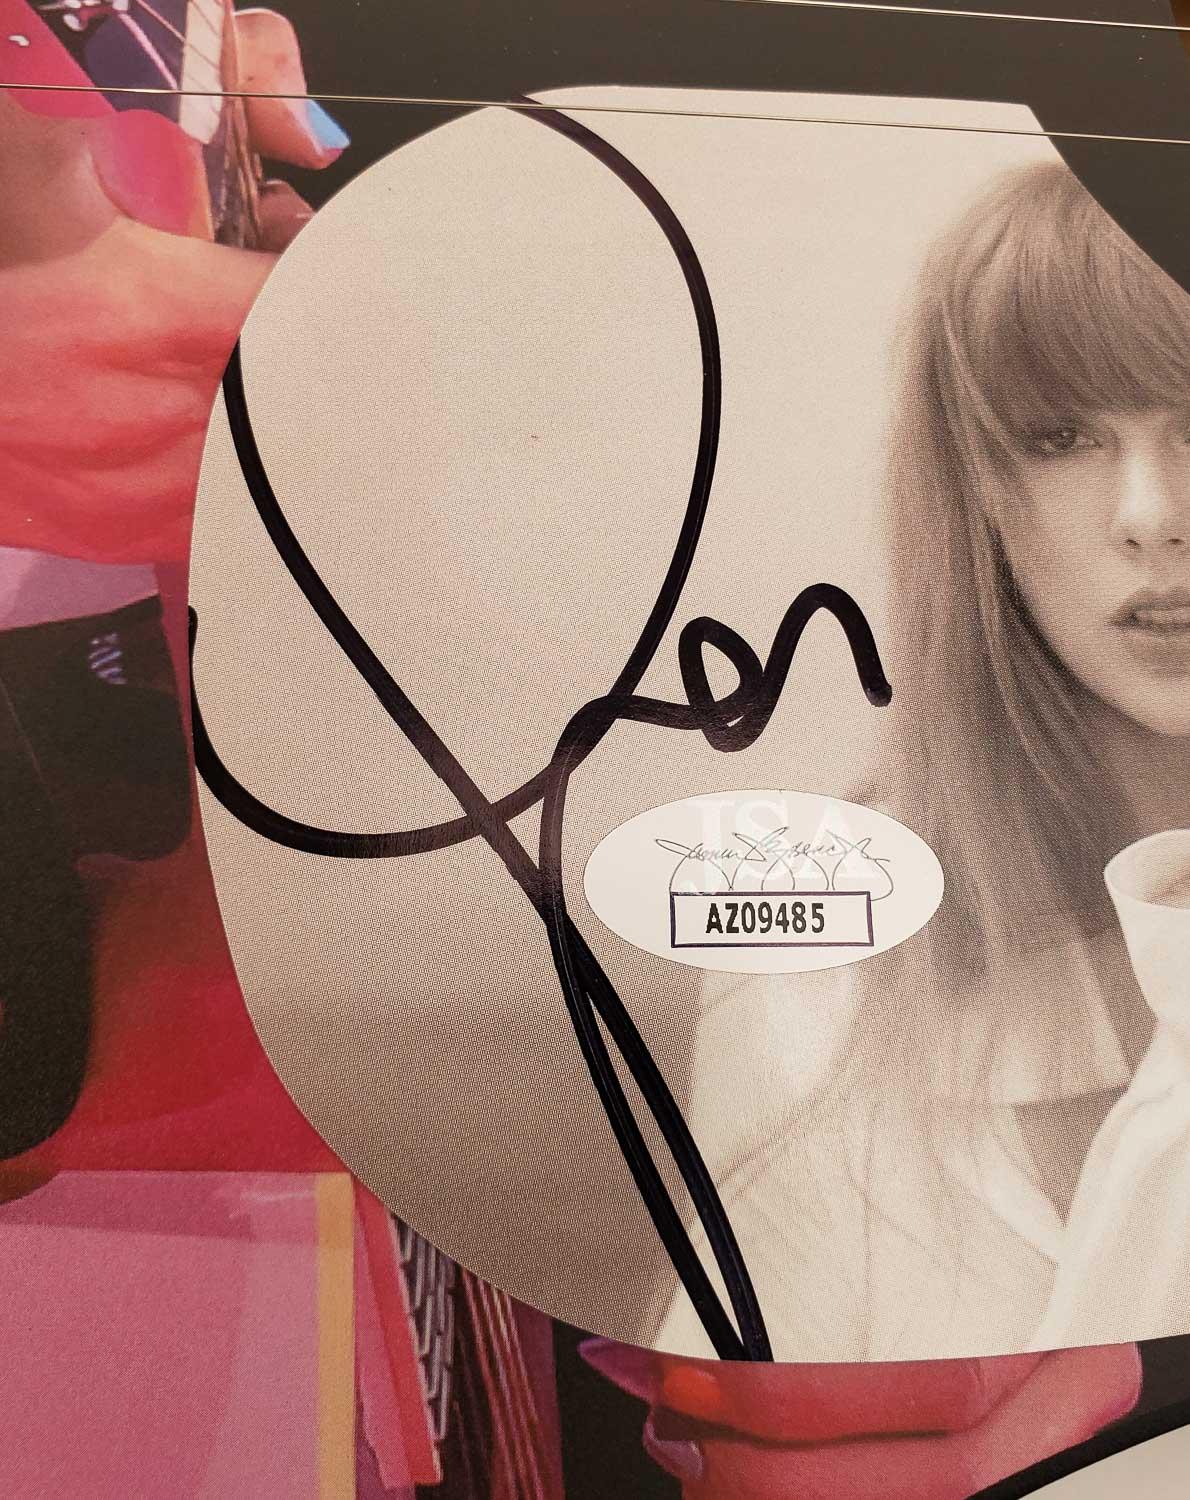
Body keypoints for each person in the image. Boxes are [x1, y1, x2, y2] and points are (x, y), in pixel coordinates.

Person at [646, 158, 1190, 1368]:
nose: (1148, 513)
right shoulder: (819, 980)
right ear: (979, 490)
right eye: (1059, 437)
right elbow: (743, 1437)